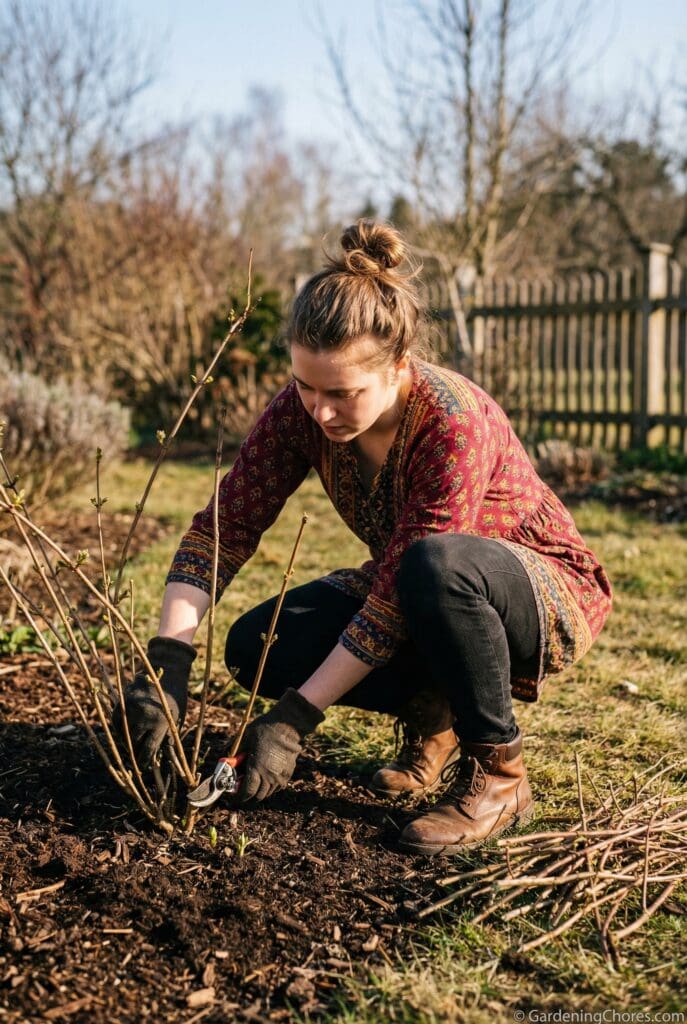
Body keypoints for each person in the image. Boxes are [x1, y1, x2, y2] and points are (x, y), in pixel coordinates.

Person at [118, 220, 612, 855]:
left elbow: (398, 596)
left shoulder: (453, 422)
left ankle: (501, 775)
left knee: (435, 566)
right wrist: (167, 662)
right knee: (258, 646)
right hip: (416, 587)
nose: (319, 411)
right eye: (305, 386)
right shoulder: (301, 411)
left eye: (342, 393)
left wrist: (294, 720)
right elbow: (226, 527)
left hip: (540, 594)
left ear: (399, 366)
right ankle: (435, 713)